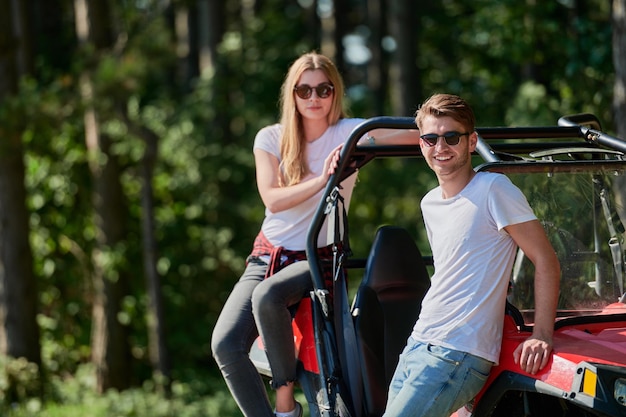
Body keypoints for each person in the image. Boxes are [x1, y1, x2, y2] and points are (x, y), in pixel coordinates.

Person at [211, 51, 418, 417]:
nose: (314, 98)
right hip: (268, 254)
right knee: (225, 344)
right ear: (291, 94)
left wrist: (448, 131)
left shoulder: (352, 132)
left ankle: (285, 403)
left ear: (335, 92)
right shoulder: (271, 138)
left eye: (323, 89)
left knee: (268, 296)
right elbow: (272, 200)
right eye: (304, 90)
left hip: (317, 259)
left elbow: (418, 135)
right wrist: (323, 179)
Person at [382, 94, 561, 417]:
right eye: (431, 138)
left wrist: (542, 335)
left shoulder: (494, 189)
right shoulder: (429, 203)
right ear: (421, 144)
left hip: (458, 352)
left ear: (471, 141)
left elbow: (546, 259)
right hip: (418, 343)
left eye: (452, 137)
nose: (441, 147)